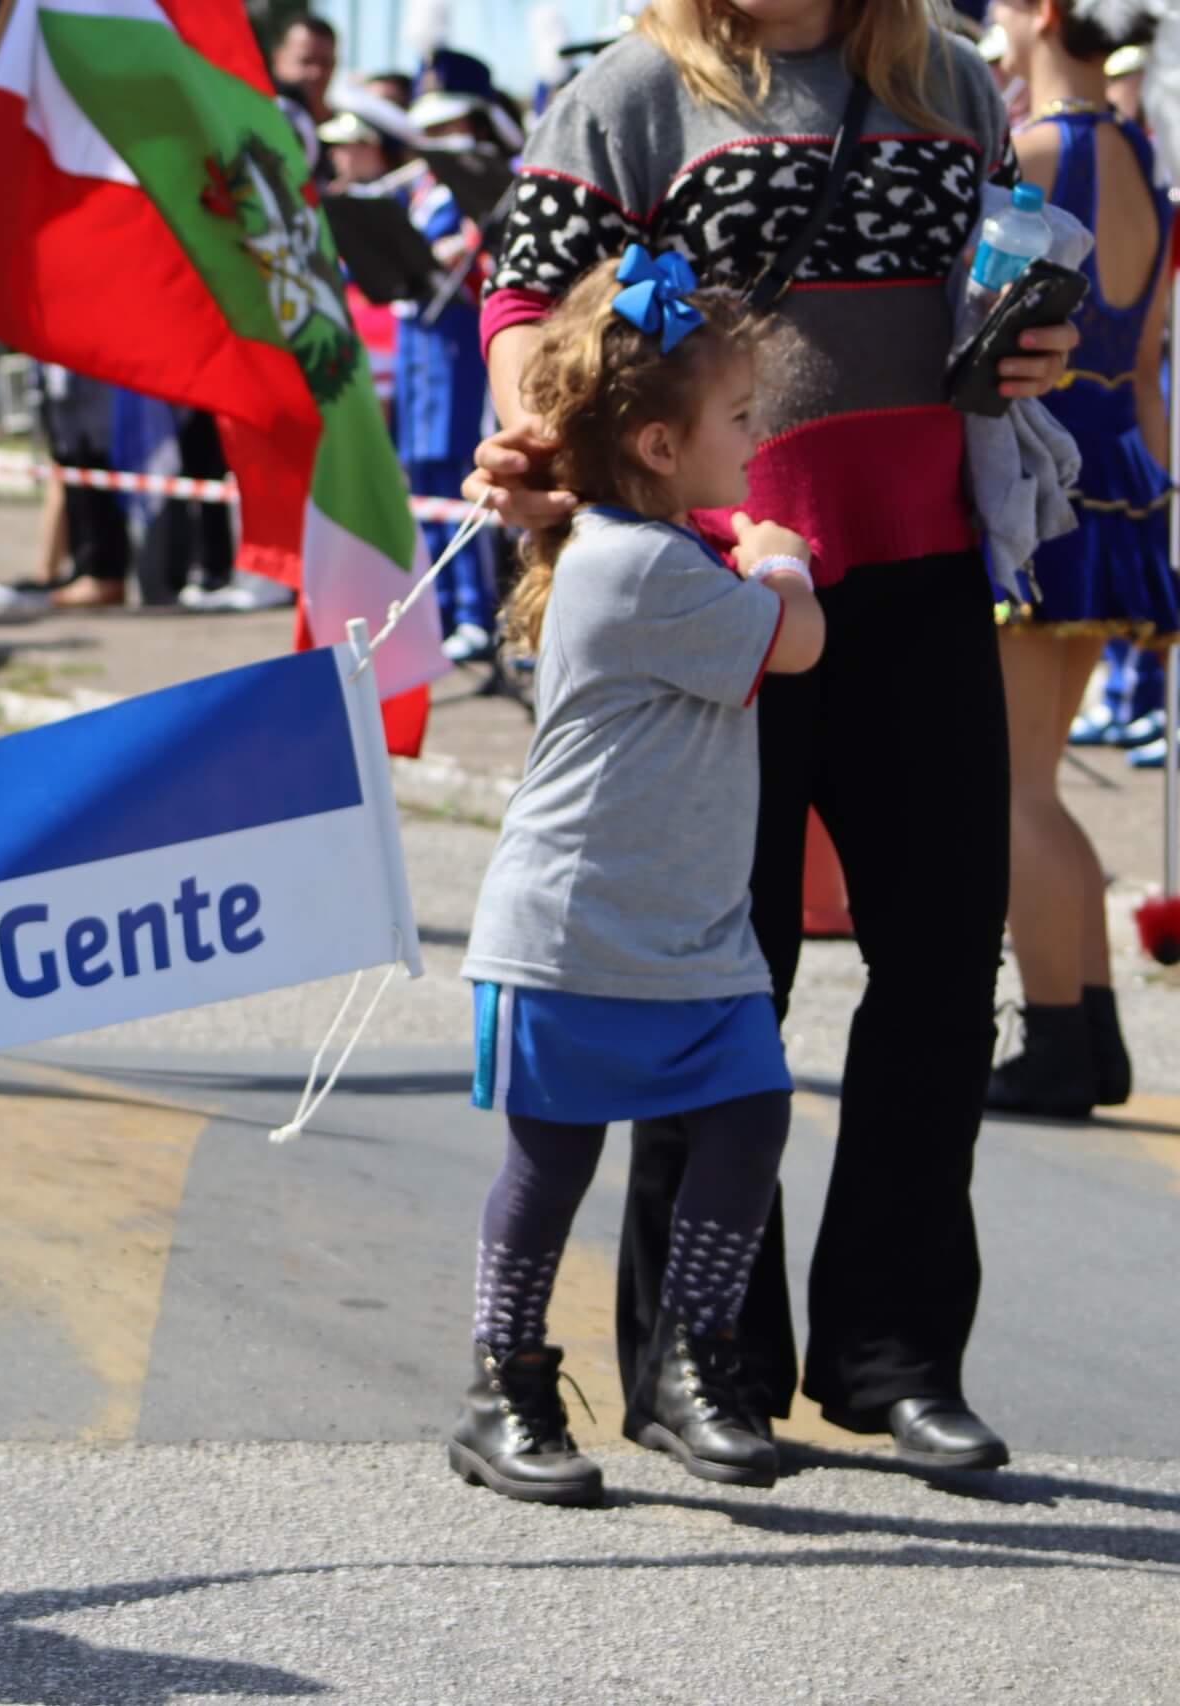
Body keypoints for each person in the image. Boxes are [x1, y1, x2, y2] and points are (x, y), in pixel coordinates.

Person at [471, 0, 1079, 1471]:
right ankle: (704, 1361)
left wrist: (1035, 346)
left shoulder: (949, 81)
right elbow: (526, 310)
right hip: (717, 586)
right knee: (713, 969)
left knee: (941, 968)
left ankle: (895, 1356)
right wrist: (544, 447)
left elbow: (999, 282)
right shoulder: (630, 92)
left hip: (923, 566)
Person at [454, 251, 824, 1504]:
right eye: (739, 417)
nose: (755, 438)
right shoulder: (641, 568)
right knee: (549, 1162)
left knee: (747, 1117)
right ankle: (502, 1381)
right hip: (576, 932)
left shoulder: (644, 541)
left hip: (689, 933)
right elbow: (796, 641)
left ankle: (691, 1353)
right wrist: (779, 558)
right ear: (660, 447)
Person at [983, 0, 1174, 1118]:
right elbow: (1145, 369)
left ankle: (1060, 1038)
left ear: (1044, 13)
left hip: (1039, 482)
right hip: (1116, 484)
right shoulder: (1139, 157)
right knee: (1037, 780)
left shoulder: (1036, 151)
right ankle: (1090, 1032)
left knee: (1013, 787)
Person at [399, 85, 508, 660]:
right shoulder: (418, 190)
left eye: (447, 129)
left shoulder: (479, 189)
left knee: (460, 474)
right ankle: (437, 605)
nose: (435, 142)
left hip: (457, 345)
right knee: (422, 474)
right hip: (419, 344)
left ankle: (473, 609)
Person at [271, 16, 337, 125]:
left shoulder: (351, 130)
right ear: (278, 59)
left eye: (325, 63)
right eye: (306, 61)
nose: (316, 73)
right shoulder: (256, 122)